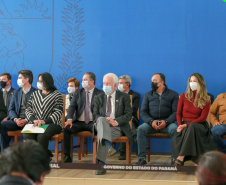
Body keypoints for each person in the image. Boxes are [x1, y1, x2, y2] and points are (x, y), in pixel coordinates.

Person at [93, 73, 132, 175]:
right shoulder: (99, 97)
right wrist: (106, 119)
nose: (105, 85)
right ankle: (107, 150)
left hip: (117, 128)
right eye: (104, 83)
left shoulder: (124, 97)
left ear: (115, 85)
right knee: (101, 119)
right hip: (101, 125)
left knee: (103, 136)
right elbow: (95, 115)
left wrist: (116, 121)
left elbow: (128, 115)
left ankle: (101, 164)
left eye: (108, 83)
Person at [135, 73, 179, 165]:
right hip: (151, 123)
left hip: (167, 124)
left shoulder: (173, 94)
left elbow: (176, 112)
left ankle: (175, 159)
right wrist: (151, 121)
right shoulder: (148, 95)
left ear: (161, 82)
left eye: (154, 81)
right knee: (140, 129)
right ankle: (141, 158)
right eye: (151, 81)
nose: (152, 83)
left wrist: (166, 122)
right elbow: (143, 112)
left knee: (175, 129)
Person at [173, 73, 214, 166]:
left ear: (200, 83)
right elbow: (178, 113)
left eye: (194, 81)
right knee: (190, 128)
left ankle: (181, 156)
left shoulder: (206, 98)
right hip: (185, 124)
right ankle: (197, 160)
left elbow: (203, 118)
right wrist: (180, 125)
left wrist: (186, 125)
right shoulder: (183, 96)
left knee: (192, 126)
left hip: (200, 125)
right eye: (190, 81)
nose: (192, 83)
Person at [23, 72, 63, 160]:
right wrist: (33, 120)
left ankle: (42, 158)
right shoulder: (35, 94)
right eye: (38, 81)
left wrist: (45, 121)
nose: (39, 83)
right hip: (35, 122)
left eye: (41, 81)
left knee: (42, 136)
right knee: (27, 135)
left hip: (52, 124)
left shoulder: (57, 95)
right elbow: (28, 109)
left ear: (47, 82)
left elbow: (58, 112)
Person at [64, 72, 102, 163]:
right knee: (66, 129)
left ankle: (99, 157)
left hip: (93, 122)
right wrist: (69, 119)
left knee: (100, 129)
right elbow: (72, 106)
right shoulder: (78, 92)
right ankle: (67, 156)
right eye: (82, 80)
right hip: (79, 121)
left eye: (85, 80)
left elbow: (102, 110)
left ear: (92, 82)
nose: (83, 82)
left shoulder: (100, 93)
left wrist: (98, 120)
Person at [0, 70, 36, 151]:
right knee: (2, 124)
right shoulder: (16, 92)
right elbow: (11, 109)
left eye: (20, 78)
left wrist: (26, 119)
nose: (18, 80)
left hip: (30, 121)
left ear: (27, 79)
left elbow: (37, 110)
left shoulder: (36, 92)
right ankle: (4, 153)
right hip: (17, 120)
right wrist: (16, 119)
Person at [118, 75, 140, 160]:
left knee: (125, 123)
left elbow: (134, 109)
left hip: (131, 118)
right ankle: (134, 137)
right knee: (122, 124)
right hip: (119, 119)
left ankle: (123, 152)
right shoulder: (116, 94)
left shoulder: (135, 95)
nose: (118, 85)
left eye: (120, 83)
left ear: (127, 84)